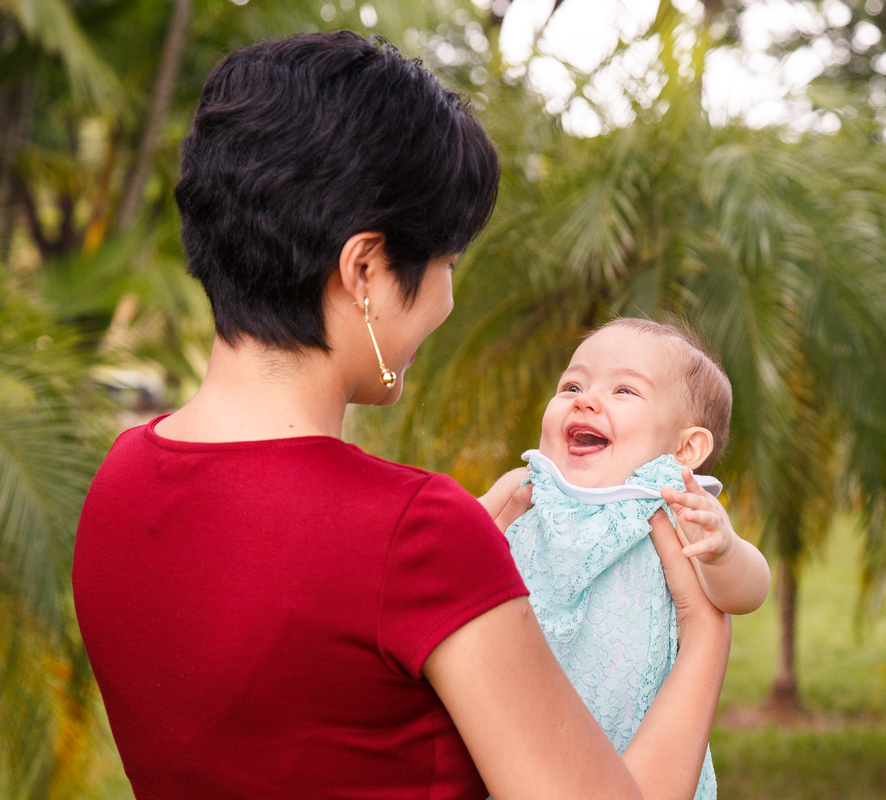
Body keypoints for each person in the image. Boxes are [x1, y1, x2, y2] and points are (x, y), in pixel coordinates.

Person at [71, 31, 730, 800]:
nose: (448, 299)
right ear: (364, 271)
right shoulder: (417, 533)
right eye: (446, 262)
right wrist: (705, 633)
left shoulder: (119, 481)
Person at [477, 318, 772, 800]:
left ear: (686, 448)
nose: (585, 399)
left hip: (639, 747)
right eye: (572, 384)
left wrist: (723, 551)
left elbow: (748, 592)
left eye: (625, 391)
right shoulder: (526, 486)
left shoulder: (674, 503)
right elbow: (452, 548)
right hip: (519, 740)